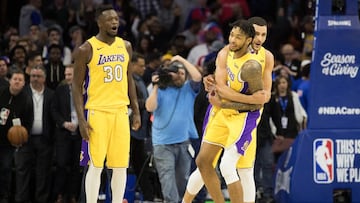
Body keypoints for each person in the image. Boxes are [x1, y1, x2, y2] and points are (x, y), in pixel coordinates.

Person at [184, 17, 274, 203]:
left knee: (243, 170)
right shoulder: (226, 52)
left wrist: (225, 99)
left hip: (245, 117)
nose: (259, 38)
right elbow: (219, 83)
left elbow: (261, 99)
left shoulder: (262, 59)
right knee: (203, 163)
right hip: (220, 112)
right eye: (256, 33)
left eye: (263, 35)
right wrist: (211, 82)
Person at [72, 4, 141, 203]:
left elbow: (130, 81)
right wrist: (81, 120)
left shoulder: (125, 45)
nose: (114, 22)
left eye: (116, 19)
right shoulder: (86, 48)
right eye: (109, 19)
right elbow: (76, 87)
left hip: (120, 112)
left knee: (120, 165)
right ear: (99, 22)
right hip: (97, 112)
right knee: (96, 165)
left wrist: (135, 111)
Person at [145, 55, 202, 203]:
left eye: (183, 74)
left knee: (183, 180)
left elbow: (197, 76)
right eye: (176, 73)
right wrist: (156, 86)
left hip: (183, 142)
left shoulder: (188, 88)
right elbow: (149, 107)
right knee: (167, 180)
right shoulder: (160, 89)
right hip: (162, 145)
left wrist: (180, 60)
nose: (180, 76)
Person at [15, 65, 55, 203]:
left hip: (44, 140)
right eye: (33, 76)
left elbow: (53, 117)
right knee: (22, 171)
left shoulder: (51, 94)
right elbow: (16, 114)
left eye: (38, 76)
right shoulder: (22, 93)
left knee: (43, 173)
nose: (35, 79)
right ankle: (21, 200)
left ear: (44, 78)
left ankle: (41, 200)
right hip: (25, 139)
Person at [0, 69, 33, 203]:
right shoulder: (1, 93)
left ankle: (5, 196)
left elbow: (28, 122)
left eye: (20, 80)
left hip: (12, 142)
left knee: (6, 168)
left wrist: (21, 139)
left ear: (24, 83)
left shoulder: (26, 100)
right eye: (15, 79)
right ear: (10, 80)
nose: (17, 82)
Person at [51, 64, 82, 203]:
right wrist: (63, 123)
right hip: (63, 134)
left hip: (80, 134)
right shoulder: (60, 90)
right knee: (61, 165)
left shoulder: (84, 91)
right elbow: (54, 110)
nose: (67, 77)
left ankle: (73, 195)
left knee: (76, 166)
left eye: (70, 74)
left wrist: (82, 123)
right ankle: (59, 194)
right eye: (66, 74)